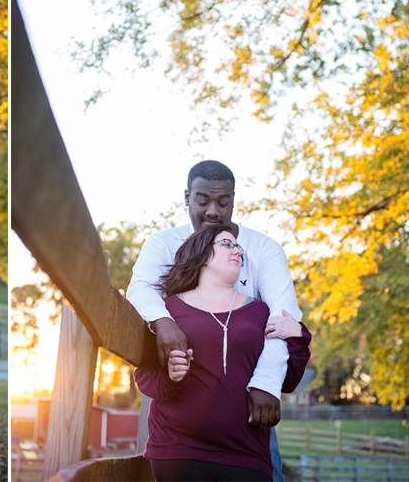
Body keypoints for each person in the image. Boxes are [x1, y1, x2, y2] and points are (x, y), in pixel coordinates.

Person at [126, 160, 302, 481]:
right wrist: (163, 321)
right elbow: (139, 289)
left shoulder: (262, 250)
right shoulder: (164, 244)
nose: (212, 211)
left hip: (244, 417)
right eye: (203, 200)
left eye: (223, 202)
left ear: (233, 200)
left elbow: (284, 316)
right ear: (187, 198)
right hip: (179, 422)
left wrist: (267, 382)